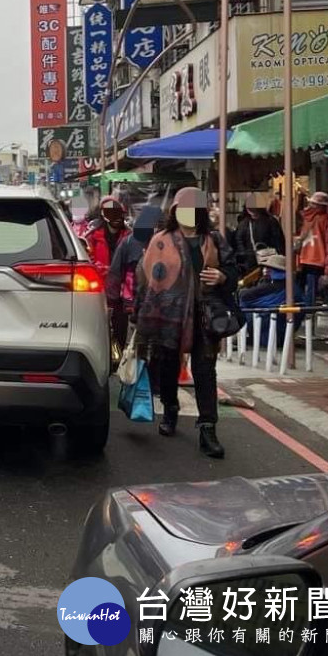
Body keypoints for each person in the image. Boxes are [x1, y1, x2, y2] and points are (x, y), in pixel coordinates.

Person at [134, 186, 240, 459]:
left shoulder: (214, 239)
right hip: (168, 315)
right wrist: (139, 314)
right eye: (184, 209)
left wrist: (222, 277)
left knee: (205, 371)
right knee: (168, 365)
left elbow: (233, 269)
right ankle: (170, 409)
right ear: (175, 212)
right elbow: (145, 278)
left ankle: (208, 429)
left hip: (206, 315)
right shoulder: (161, 240)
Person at [105, 205, 162, 356]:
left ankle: (132, 369)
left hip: (138, 303)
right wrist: (112, 301)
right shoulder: (130, 242)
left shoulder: (129, 242)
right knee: (132, 342)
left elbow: (115, 273)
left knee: (136, 344)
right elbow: (115, 273)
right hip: (133, 304)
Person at [233, 195, 285, 275]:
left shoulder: (243, 223)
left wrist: (245, 256)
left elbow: (238, 241)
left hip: (249, 263)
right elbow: (279, 242)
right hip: (269, 260)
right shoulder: (271, 221)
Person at [296, 191, 328, 305]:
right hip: (318, 256)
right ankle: (309, 311)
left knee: (302, 285)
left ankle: (302, 311)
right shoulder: (326, 219)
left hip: (304, 256)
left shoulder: (306, 218)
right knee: (316, 287)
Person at [86, 196, 128, 280]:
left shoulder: (128, 235)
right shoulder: (93, 235)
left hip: (123, 283)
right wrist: (104, 269)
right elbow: (89, 260)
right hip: (100, 281)